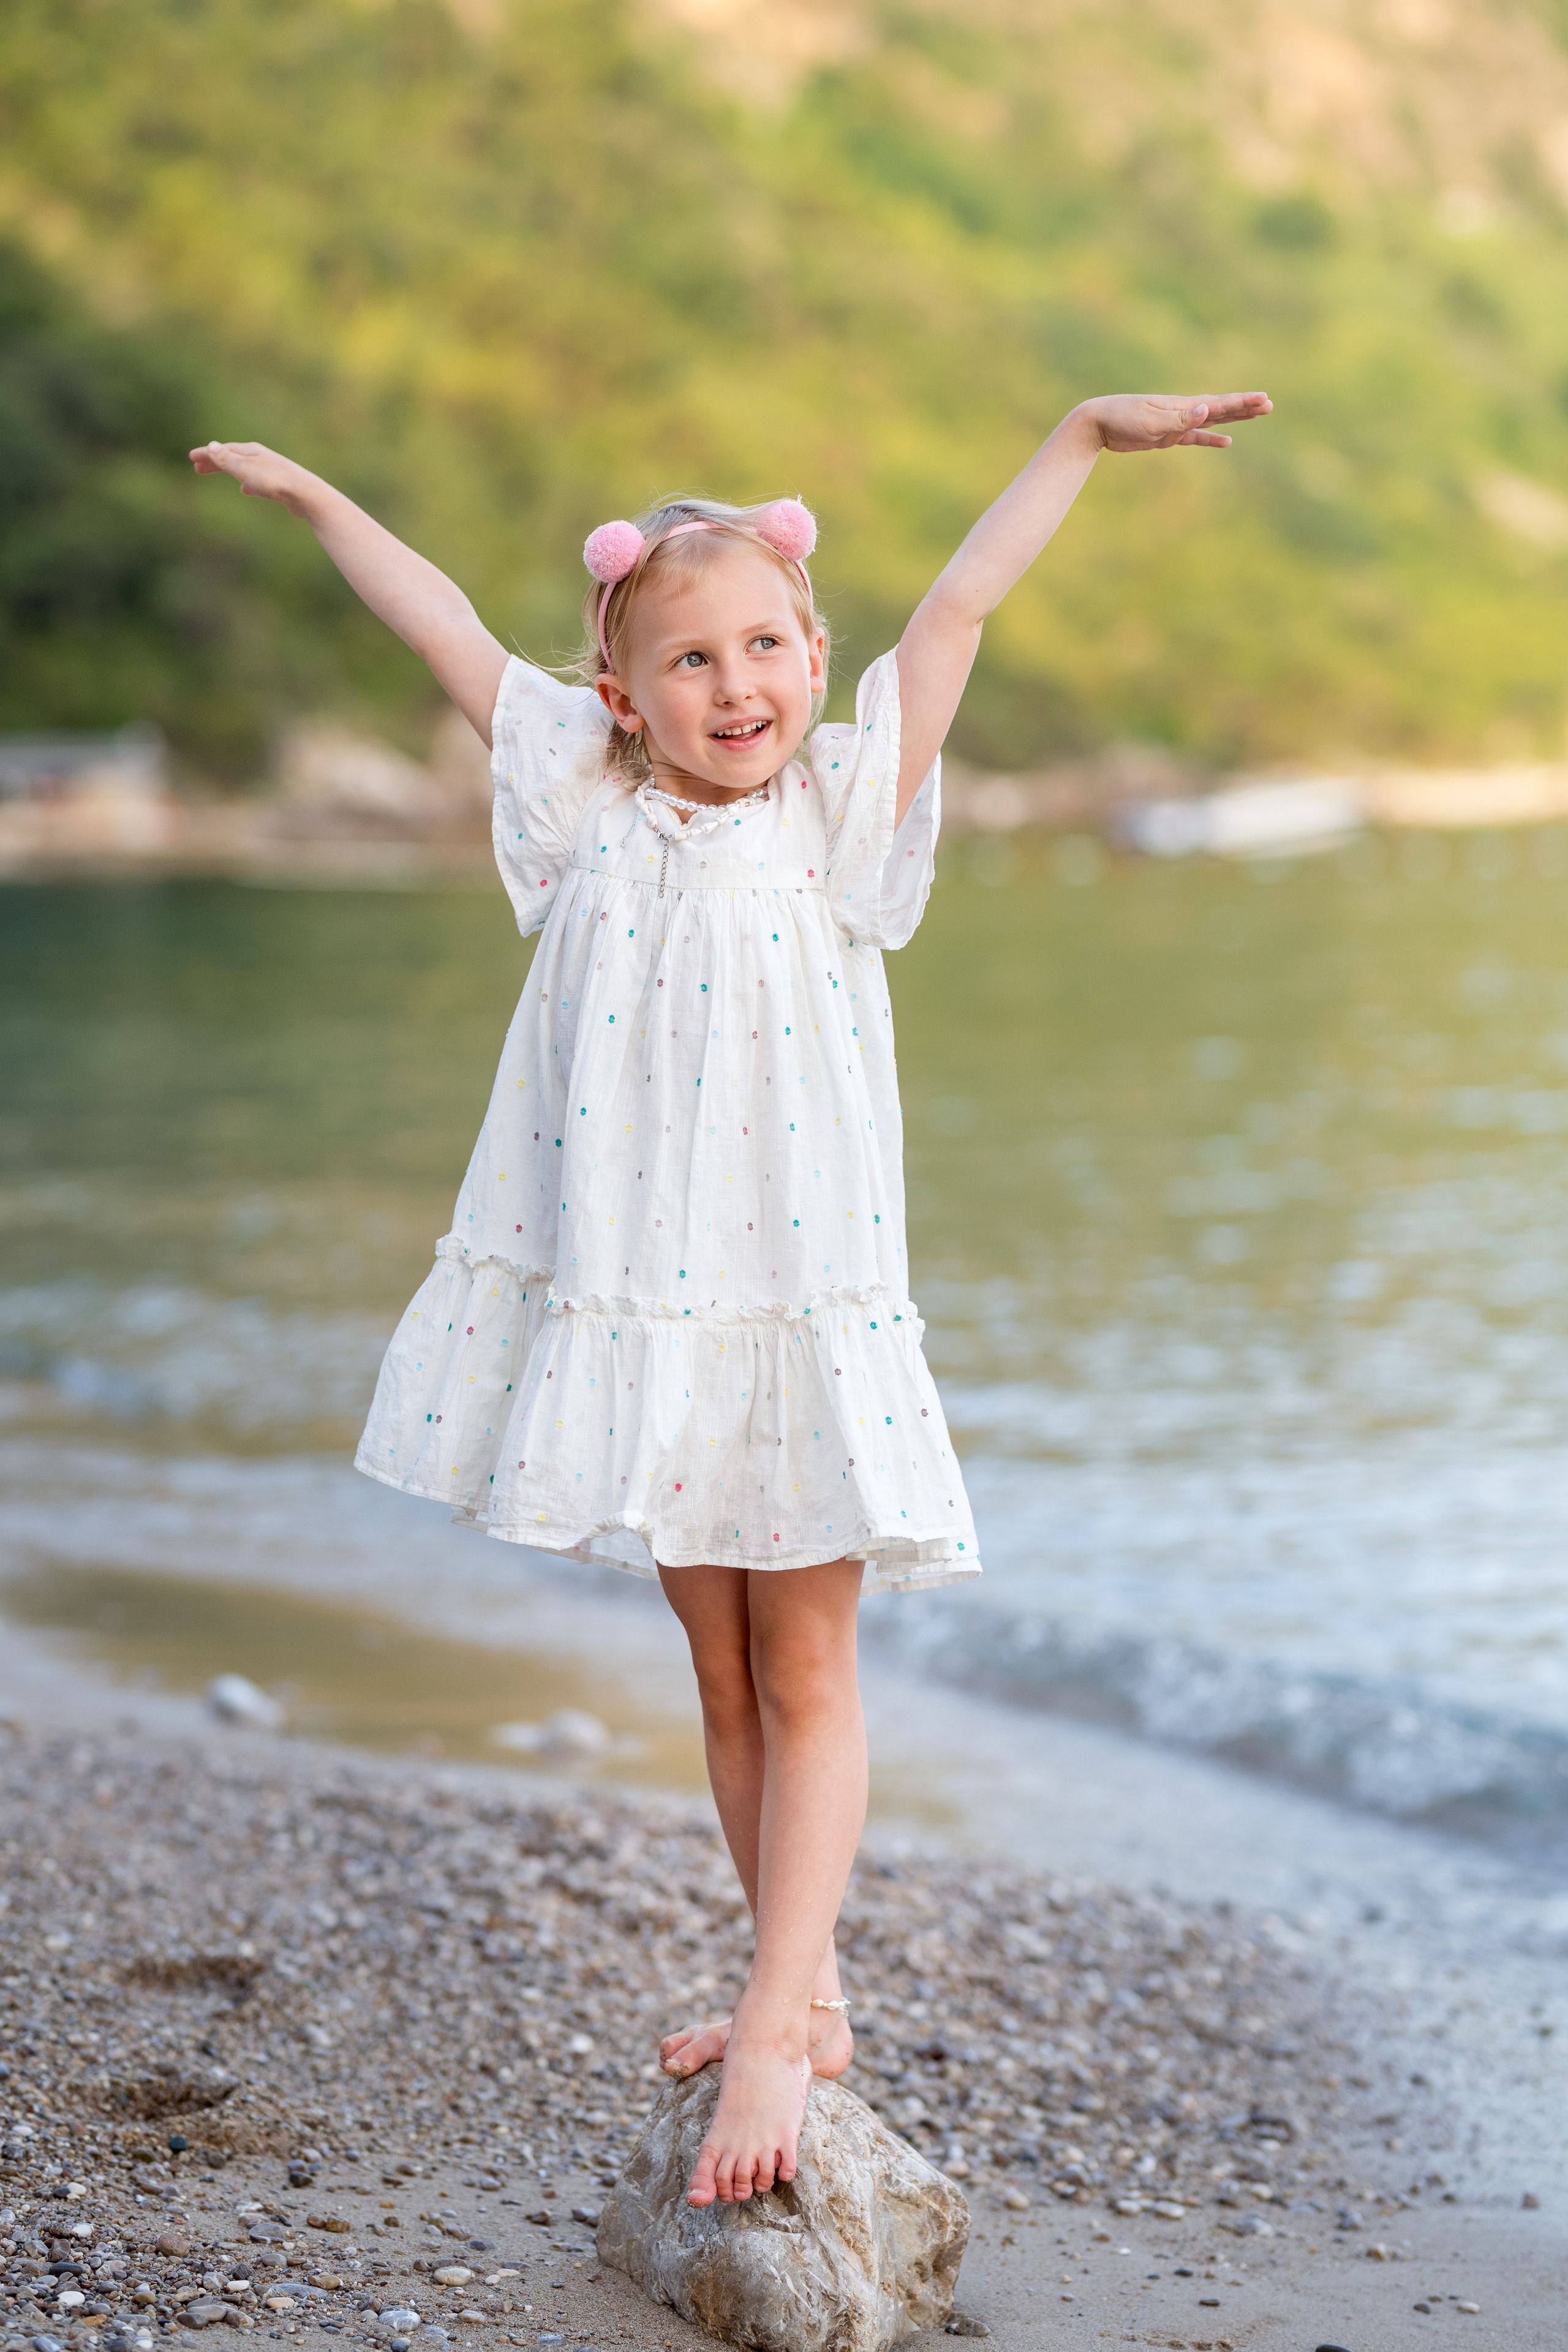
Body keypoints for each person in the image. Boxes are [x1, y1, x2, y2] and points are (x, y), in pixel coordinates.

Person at [191, 387, 1270, 2209]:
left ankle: (778, 2012)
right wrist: (313, 500)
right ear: (620, 697)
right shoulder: (579, 806)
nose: (734, 680)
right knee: (721, 1672)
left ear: (811, 652)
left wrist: (1080, 439)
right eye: (686, 658)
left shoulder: (845, 813)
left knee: (811, 1659)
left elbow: (961, 615)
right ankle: (811, 1978)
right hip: (650, 1315)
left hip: (801, 1308)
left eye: (764, 642)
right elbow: (446, 625)